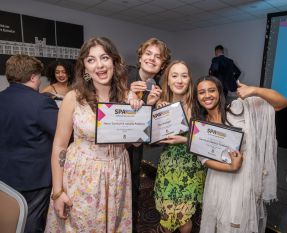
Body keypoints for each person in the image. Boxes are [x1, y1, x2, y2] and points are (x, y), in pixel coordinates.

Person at [44, 37, 143, 232]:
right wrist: (57, 192)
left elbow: (134, 142)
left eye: (104, 57)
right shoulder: (74, 98)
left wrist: (138, 118)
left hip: (117, 175)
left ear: (114, 61)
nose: (99, 65)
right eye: (91, 60)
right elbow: (59, 146)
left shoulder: (126, 96)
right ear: (84, 67)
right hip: (83, 177)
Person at [192, 76, 287, 233]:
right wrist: (231, 167)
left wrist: (255, 90)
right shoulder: (200, 125)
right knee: (221, 223)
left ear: (220, 92)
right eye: (201, 92)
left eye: (211, 90)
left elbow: (281, 103)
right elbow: (205, 160)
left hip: (244, 180)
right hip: (219, 181)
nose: (207, 95)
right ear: (197, 97)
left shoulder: (238, 109)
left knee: (240, 224)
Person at [0, 54, 58, 233]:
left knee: (9, 220)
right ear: (33, 77)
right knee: (31, 223)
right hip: (34, 178)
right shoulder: (41, 102)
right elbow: (62, 134)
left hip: (4, 175)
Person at [147, 60, 206, 233]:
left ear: (189, 80)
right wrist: (157, 114)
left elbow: (208, 139)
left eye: (184, 75)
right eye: (174, 76)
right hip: (169, 167)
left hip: (192, 168)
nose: (179, 80)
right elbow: (149, 142)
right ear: (168, 80)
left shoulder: (199, 105)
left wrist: (184, 140)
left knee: (184, 219)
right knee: (167, 216)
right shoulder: (160, 104)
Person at [127, 37, 171, 232]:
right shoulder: (123, 74)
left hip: (135, 150)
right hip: (111, 148)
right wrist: (126, 92)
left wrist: (153, 106)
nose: (152, 59)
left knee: (133, 191)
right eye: (148, 54)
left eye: (158, 57)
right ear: (140, 56)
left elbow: (146, 130)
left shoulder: (156, 89)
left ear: (162, 64)